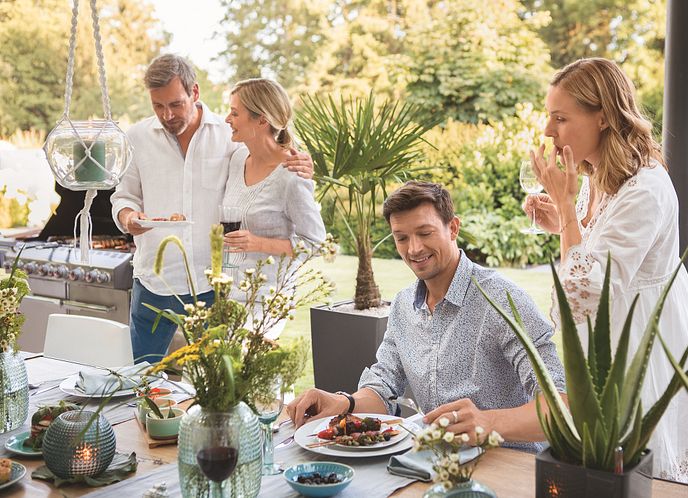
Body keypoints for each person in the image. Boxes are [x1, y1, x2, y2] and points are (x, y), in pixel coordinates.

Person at [288, 181, 566, 452]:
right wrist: (344, 402)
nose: (414, 249)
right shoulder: (402, 305)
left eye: (425, 233)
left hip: (509, 467)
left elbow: (561, 405)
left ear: (453, 228)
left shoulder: (503, 301)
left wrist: (487, 422)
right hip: (436, 466)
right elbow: (383, 388)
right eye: (402, 238)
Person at [523, 57, 688, 481]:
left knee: (632, 474)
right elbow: (595, 248)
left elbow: (580, 293)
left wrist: (565, 206)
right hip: (610, 338)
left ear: (602, 116)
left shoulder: (646, 187)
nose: (549, 131)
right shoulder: (600, 175)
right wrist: (564, 221)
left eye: (561, 118)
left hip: (640, 346)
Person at [111, 54, 314, 362]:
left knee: (214, 389)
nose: (167, 115)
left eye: (175, 104)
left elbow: (268, 158)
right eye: (158, 106)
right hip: (153, 280)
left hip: (212, 287)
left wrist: (301, 164)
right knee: (140, 376)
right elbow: (123, 195)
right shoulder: (137, 137)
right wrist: (128, 216)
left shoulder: (229, 136)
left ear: (194, 92)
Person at [222, 78, 326, 338]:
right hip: (229, 294)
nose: (227, 119)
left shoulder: (291, 175)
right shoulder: (237, 159)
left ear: (261, 120)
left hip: (267, 300)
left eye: (235, 113)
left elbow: (315, 243)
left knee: (246, 375)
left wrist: (258, 243)